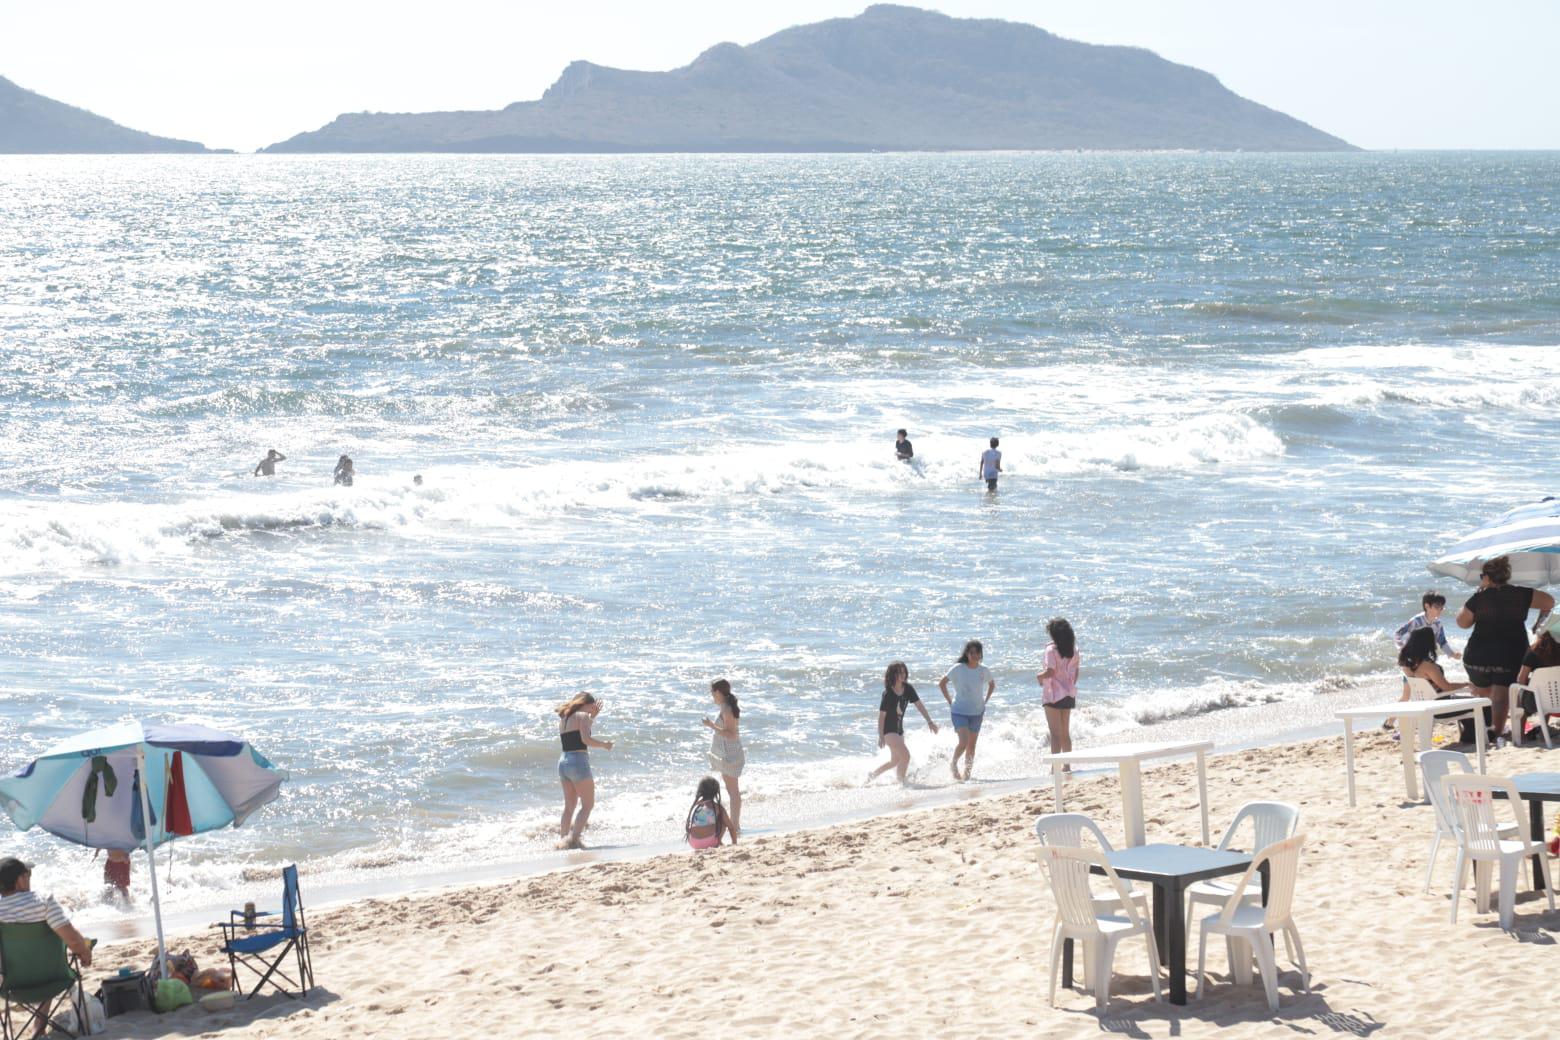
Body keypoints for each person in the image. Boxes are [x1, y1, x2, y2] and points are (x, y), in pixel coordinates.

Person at [1455, 555, 1555, 742]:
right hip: (1510, 654)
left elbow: (1462, 622)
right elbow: (1549, 602)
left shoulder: (1479, 598)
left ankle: (1487, 727)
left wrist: (1478, 595)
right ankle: (1496, 732)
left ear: (1486, 577)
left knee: (1485, 694)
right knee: (1501, 698)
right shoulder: (1522, 594)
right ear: (1506, 576)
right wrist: (1539, 624)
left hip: (1478, 657)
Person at [0, 859, 95, 975]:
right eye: (27, 874)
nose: (29, 878)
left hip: (13, 982)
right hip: (54, 976)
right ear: (20, 880)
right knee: (84, 942)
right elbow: (73, 941)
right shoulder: (44, 901)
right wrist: (85, 953)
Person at [867, 661, 939, 785]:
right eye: (899, 672)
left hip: (899, 730)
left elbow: (919, 705)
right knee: (905, 756)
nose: (903, 674)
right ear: (893, 674)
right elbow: (881, 716)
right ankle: (902, 783)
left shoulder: (908, 689)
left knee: (895, 761)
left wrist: (930, 721)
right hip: (889, 731)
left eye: (904, 671)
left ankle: (872, 776)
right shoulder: (888, 693)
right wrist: (880, 735)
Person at [556, 693, 612, 850]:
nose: (593, 709)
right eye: (592, 706)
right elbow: (585, 740)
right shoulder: (582, 716)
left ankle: (563, 841)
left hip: (563, 762)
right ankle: (573, 840)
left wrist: (592, 717)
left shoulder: (564, 718)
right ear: (585, 704)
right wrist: (604, 745)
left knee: (569, 807)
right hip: (578, 761)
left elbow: (577, 735)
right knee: (588, 805)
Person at [939, 640, 995, 781]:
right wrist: (949, 701)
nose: (974, 655)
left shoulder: (983, 670)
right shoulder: (958, 668)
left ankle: (967, 775)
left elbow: (992, 684)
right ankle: (953, 764)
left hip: (977, 712)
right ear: (967, 654)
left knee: (972, 746)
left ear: (981, 654)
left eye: (977, 653)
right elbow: (942, 683)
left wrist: (985, 700)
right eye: (972, 653)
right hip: (959, 711)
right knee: (963, 742)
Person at [702, 680, 743, 835]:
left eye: (712, 693)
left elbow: (732, 734)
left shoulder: (726, 709)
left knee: (733, 791)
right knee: (733, 790)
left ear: (718, 692)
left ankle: (735, 826)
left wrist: (712, 726)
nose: (712, 696)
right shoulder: (726, 707)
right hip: (729, 752)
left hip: (730, 754)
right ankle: (735, 825)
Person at [1037, 618, 1079, 760]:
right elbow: (1076, 672)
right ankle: (1067, 765)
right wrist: (1070, 685)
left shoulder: (1051, 650)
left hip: (1053, 695)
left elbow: (1050, 671)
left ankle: (1055, 768)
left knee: (1055, 734)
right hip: (1068, 694)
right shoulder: (1073, 649)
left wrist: (1039, 676)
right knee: (1065, 733)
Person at [1515, 625, 1560, 739]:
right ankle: (1543, 731)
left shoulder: (1535, 651)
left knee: (1521, 692)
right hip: (1558, 701)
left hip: (1535, 704)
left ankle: (1520, 735)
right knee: (1551, 689)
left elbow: (1521, 679)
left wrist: (1533, 681)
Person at [1393, 591, 1460, 659]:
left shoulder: (1438, 624)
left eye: (1442, 608)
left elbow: (1442, 642)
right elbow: (1398, 633)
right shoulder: (1417, 621)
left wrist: (1452, 654)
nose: (1440, 610)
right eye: (1437, 607)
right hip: (1410, 654)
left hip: (1425, 654)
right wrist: (1401, 648)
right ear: (1427, 606)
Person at [684, 777, 736, 850]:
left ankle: (713, 841)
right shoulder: (718, 807)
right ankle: (718, 841)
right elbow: (731, 828)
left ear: (700, 791)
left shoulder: (695, 806)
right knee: (723, 821)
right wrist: (734, 843)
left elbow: (688, 827)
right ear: (716, 792)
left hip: (693, 842)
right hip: (710, 842)